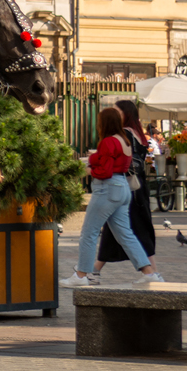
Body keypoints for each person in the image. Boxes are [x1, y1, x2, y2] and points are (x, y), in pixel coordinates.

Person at [62, 106, 163, 287]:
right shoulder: (124, 140)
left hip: (107, 189)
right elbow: (116, 166)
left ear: (104, 122)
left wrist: (87, 170)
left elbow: (104, 171)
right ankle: (149, 273)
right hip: (122, 188)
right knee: (125, 234)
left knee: (89, 233)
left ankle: (80, 275)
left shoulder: (108, 141)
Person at [95, 99, 157, 278]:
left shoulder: (125, 135)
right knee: (120, 228)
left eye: (117, 112)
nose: (114, 115)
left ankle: (152, 272)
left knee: (128, 229)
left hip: (128, 188)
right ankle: (94, 270)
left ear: (126, 114)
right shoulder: (138, 134)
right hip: (137, 188)